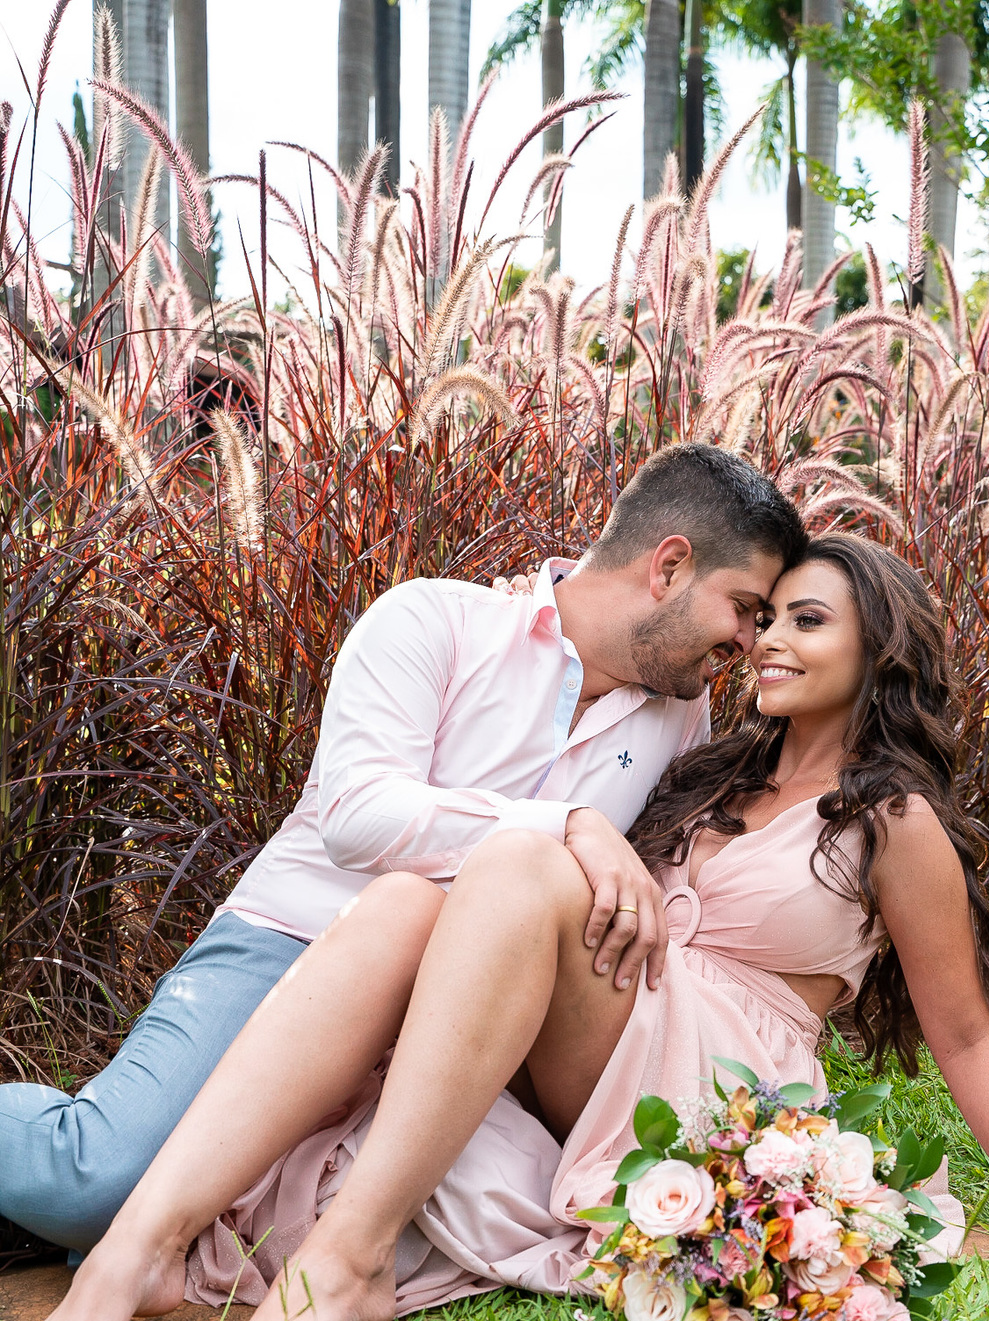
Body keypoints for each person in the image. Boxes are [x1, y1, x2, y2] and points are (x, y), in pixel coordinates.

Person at [17, 533, 989, 1321]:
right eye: (759, 617)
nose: (764, 640)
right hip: (612, 1027)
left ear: (877, 648)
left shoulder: (891, 820)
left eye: (804, 620)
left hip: (720, 1071)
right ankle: (142, 1241)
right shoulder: (701, 759)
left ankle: (347, 1252)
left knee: (511, 857)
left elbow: (961, 1029)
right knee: (413, 892)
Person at [0, 445, 800, 1256]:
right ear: (668, 566)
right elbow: (357, 815)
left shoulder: (677, 716)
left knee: (247, 1220)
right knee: (95, 1182)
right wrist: (563, 823)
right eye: (742, 605)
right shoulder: (433, 619)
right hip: (296, 944)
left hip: (460, 1017)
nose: (749, 638)